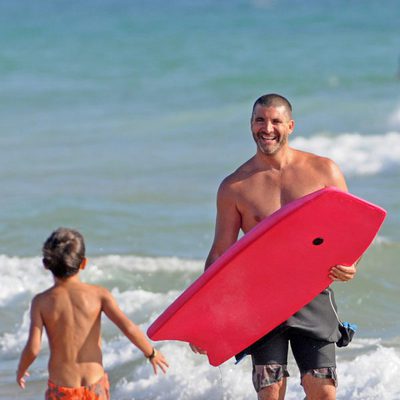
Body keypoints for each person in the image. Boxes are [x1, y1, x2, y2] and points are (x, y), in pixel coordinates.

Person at [190, 94, 357, 400]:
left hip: (311, 291)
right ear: (251, 125)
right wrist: (205, 317)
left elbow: (350, 229)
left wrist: (349, 263)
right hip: (260, 298)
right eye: (259, 120)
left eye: (275, 121)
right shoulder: (235, 186)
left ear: (290, 125)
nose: (267, 128)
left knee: (324, 391)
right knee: (270, 391)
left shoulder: (323, 171)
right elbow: (219, 253)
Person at [16, 227, 168, 399]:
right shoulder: (99, 294)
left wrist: (21, 370)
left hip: (62, 388)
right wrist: (151, 353)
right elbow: (128, 328)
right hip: (95, 385)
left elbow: (34, 348)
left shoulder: (41, 302)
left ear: (46, 264)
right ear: (83, 263)